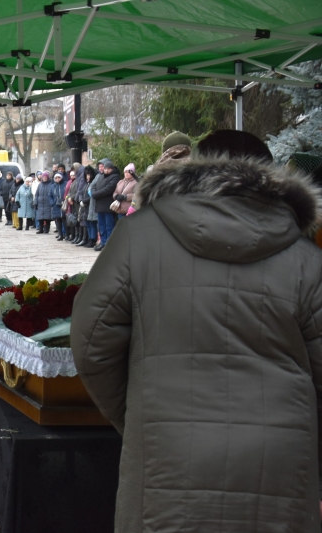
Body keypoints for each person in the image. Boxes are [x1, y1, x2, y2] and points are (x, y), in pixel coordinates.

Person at [71, 130, 322, 532]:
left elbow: (89, 343)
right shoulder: (308, 259)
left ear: (196, 166)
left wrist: (135, 415)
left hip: (165, 452)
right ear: (274, 177)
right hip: (279, 460)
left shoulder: (138, 237)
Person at [91, 158, 121, 252]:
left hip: (108, 205)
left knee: (109, 225)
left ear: (112, 169)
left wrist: (96, 194)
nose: (106, 170)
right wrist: (93, 193)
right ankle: (103, 242)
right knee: (101, 225)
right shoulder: (100, 176)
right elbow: (93, 187)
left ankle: (109, 243)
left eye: (108, 169)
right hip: (100, 205)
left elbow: (109, 189)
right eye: (105, 169)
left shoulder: (115, 177)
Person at [83, 166, 99, 248]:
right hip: (86, 206)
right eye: (86, 175)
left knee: (92, 223)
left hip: (91, 205)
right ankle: (90, 238)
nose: (87, 177)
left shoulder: (94, 183)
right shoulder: (87, 183)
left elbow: (92, 195)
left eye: (89, 175)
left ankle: (93, 239)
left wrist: (85, 200)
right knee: (88, 223)